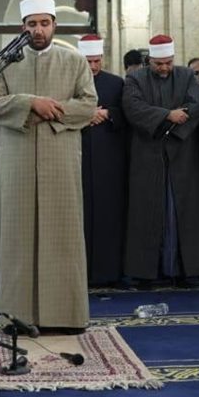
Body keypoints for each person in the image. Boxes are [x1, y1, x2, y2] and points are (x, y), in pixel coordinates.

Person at [0, 0, 97, 333]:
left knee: (61, 236)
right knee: (15, 237)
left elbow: (88, 106)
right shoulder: (2, 62)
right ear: (23, 27)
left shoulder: (74, 60)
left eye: (44, 23)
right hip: (16, 159)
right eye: (32, 24)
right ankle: (14, 316)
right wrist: (30, 103)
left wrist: (51, 112)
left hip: (60, 157)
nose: (38, 30)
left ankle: (65, 316)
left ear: (54, 25)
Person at [122, 34, 199, 286]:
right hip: (147, 154)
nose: (164, 68)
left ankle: (186, 271)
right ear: (149, 61)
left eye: (168, 63)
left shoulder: (186, 76)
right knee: (147, 213)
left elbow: (195, 107)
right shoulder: (135, 79)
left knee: (185, 213)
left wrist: (170, 129)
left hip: (182, 154)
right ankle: (146, 273)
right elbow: (133, 108)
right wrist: (167, 116)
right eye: (159, 64)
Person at [76, 34, 128, 287]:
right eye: (88, 62)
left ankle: (109, 273)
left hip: (110, 159)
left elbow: (127, 113)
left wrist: (107, 113)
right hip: (78, 156)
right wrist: (85, 114)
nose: (93, 66)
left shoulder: (116, 83)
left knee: (110, 215)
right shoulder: (70, 81)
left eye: (97, 61)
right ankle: (81, 272)